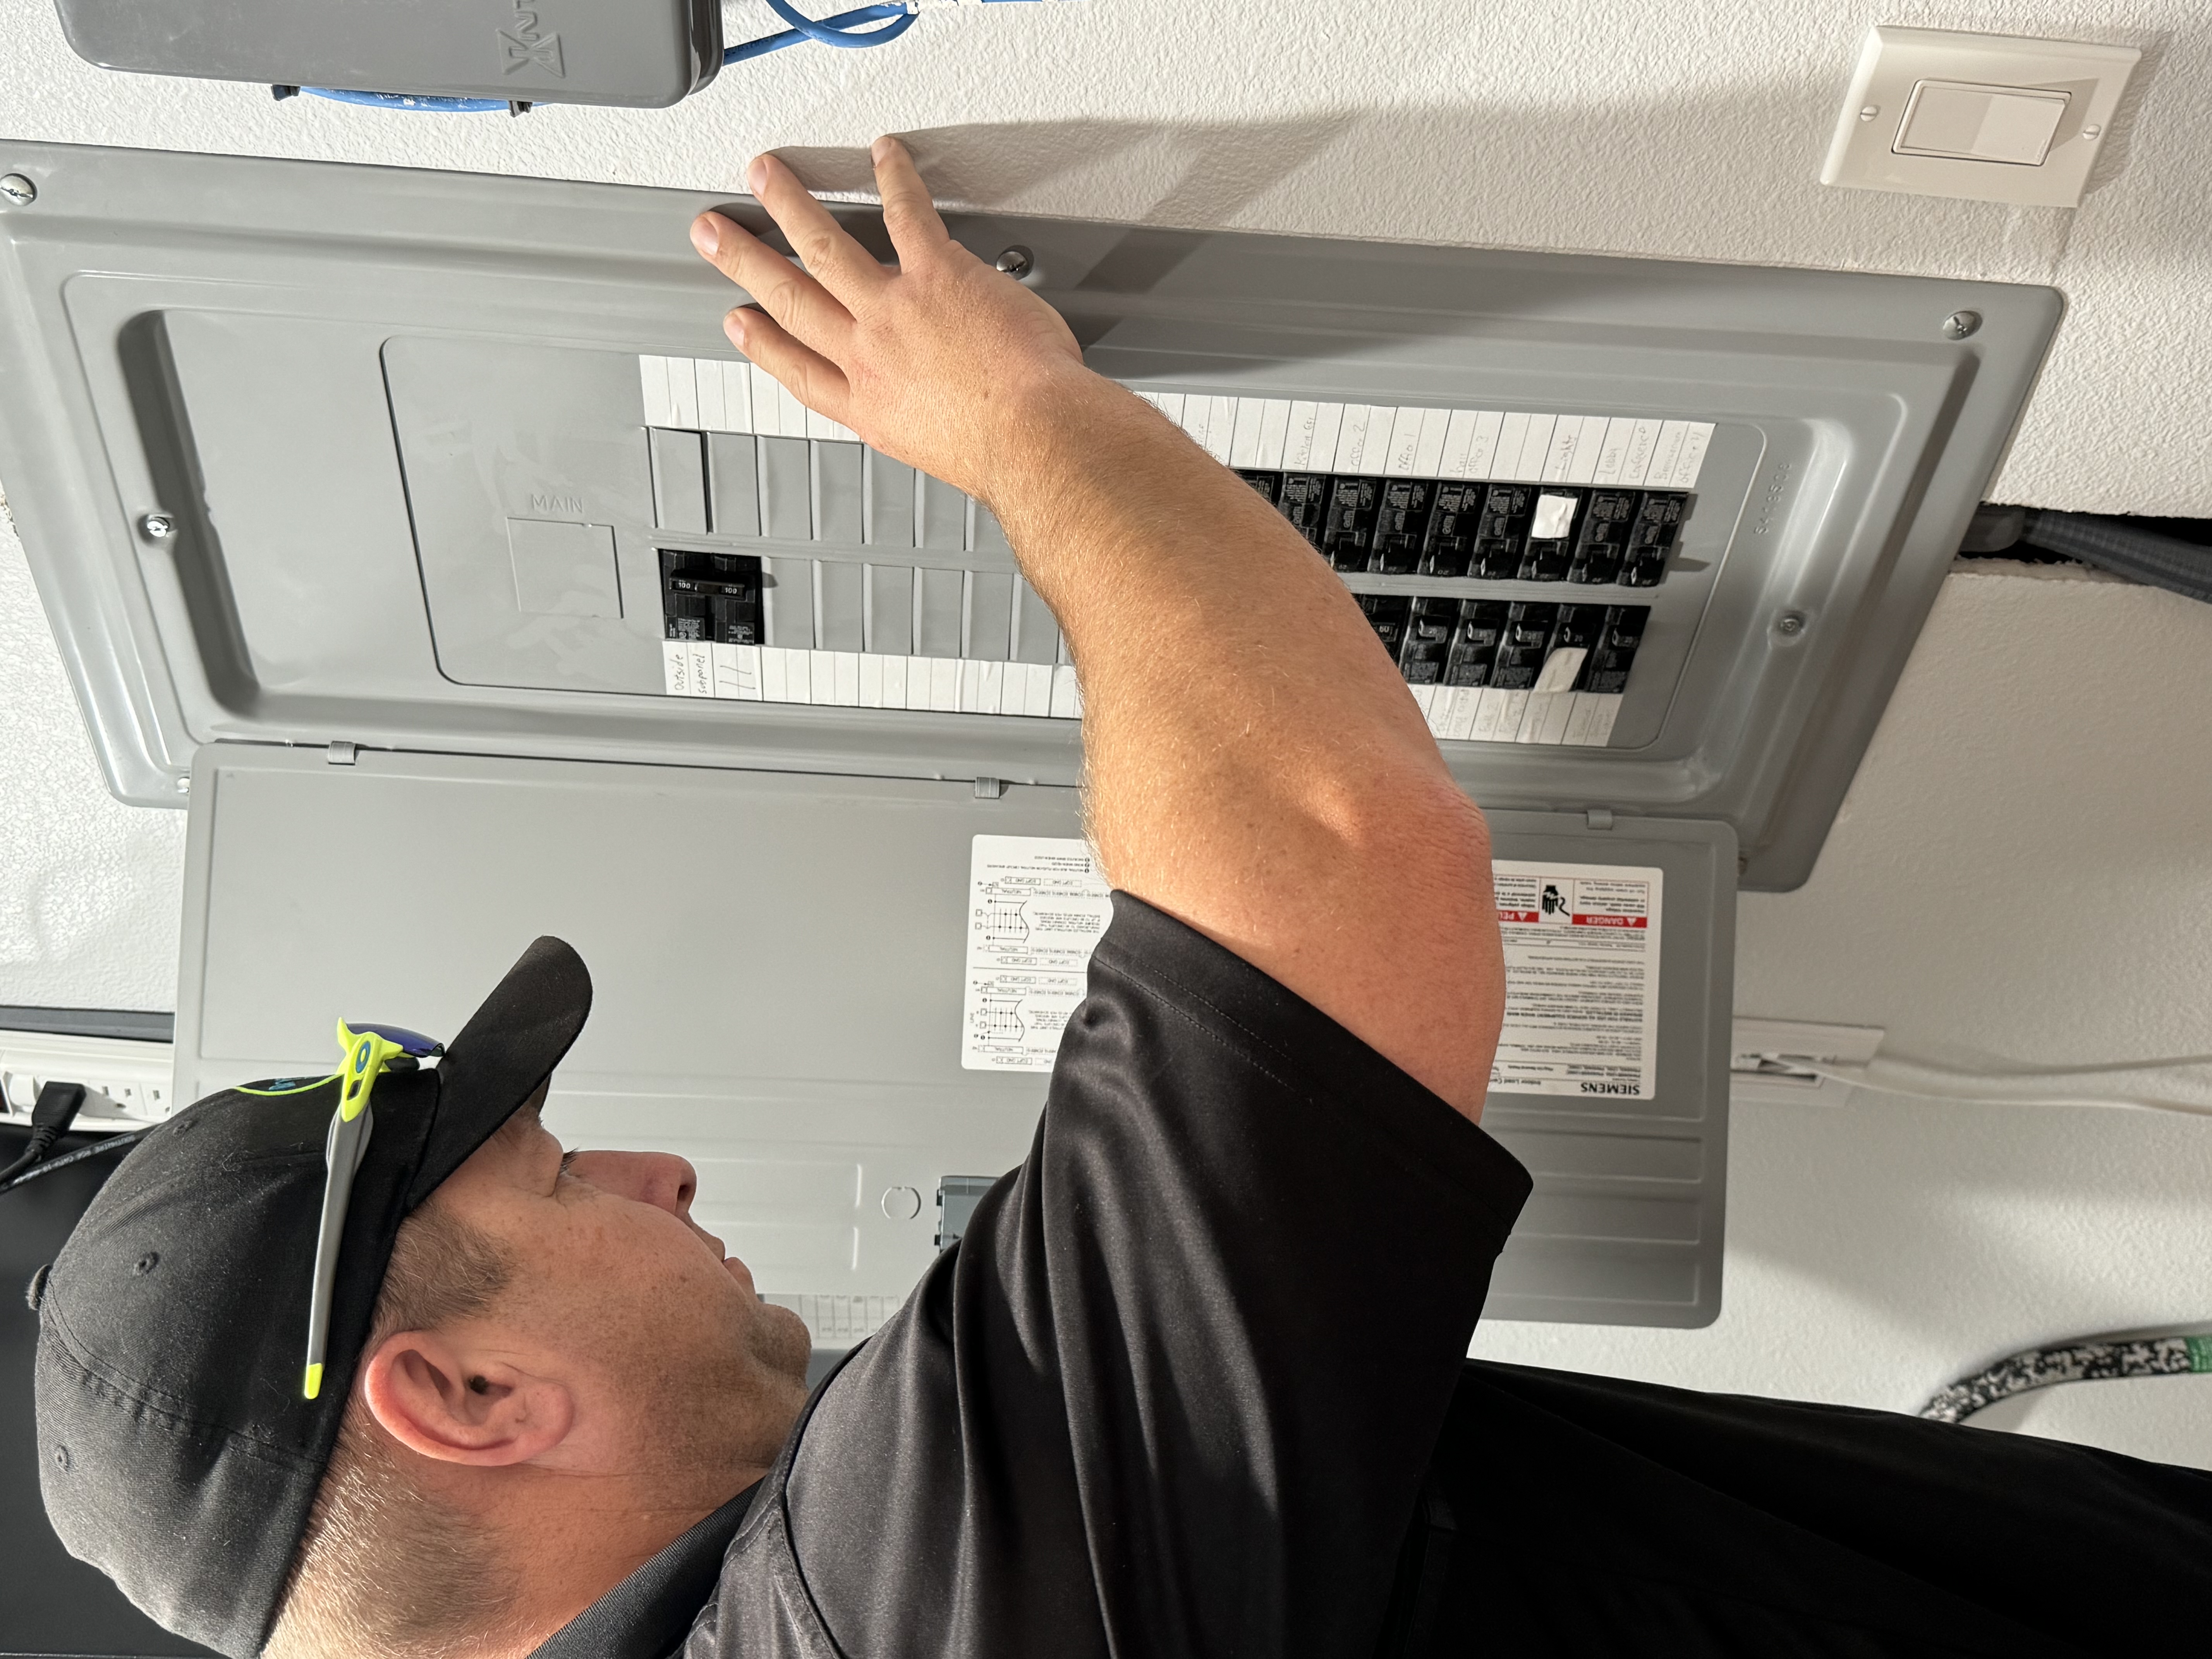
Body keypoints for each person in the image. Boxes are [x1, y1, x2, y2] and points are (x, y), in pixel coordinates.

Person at [29, 139, 2212, 1659]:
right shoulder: (902, 1622)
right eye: (556, 1175)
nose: (658, 1165)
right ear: (465, 1400)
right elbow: (1326, 863)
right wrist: (1019, 425)